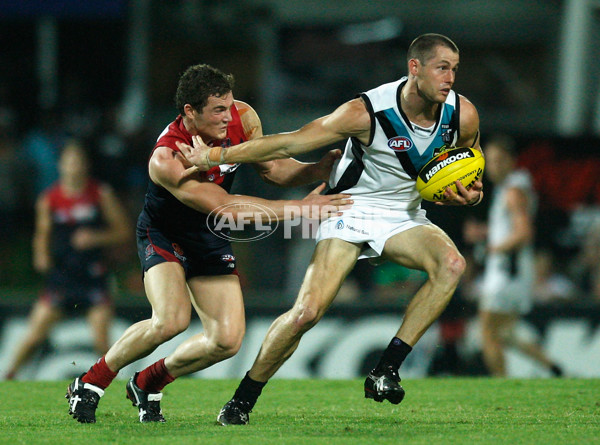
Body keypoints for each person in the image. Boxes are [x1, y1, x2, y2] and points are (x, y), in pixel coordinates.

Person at [177, 33, 484, 425]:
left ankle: (385, 370)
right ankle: (242, 400)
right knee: (306, 312)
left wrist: (470, 195)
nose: (450, 78)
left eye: (455, 69)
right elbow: (289, 142)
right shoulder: (365, 111)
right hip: (349, 207)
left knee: (452, 265)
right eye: (442, 68)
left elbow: (471, 169)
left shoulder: (463, 114)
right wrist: (215, 155)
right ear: (415, 68)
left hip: (404, 213)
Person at [65, 64, 351, 423]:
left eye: (228, 105)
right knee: (170, 320)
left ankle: (148, 381)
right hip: (164, 233)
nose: (227, 114)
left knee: (227, 340)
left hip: (207, 235)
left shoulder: (243, 117)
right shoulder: (166, 158)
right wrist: (299, 210)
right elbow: (224, 206)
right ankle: (90, 383)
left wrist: (315, 170)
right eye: (217, 109)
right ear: (190, 111)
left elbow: (272, 169)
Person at [5, 140, 130, 380]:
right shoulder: (49, 199)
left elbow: (123, 230)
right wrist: (40, 255)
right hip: (62, 277)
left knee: (102, 341)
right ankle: (9, 378)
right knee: (33, 336)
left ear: (86, 165)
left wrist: (97, 237)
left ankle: (110, 386)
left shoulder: (100, 194)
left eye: (79, 161)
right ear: (61, 165)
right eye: (70, 161)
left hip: (93, 275)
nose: (75, 166)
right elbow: (42, 234)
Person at [463, 133, 563, 377]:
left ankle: (502, 385)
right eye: (490, 161)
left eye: (498, 160)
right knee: (505, 332)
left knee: (486, 332)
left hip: (507, 272)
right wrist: (486, 234)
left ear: (511, 161)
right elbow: (511, 228)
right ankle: (551, 366)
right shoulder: (511, 188)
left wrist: (492, 249)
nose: (492, 166)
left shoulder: (513, 191)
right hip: (515, 271)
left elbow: (524, 233)